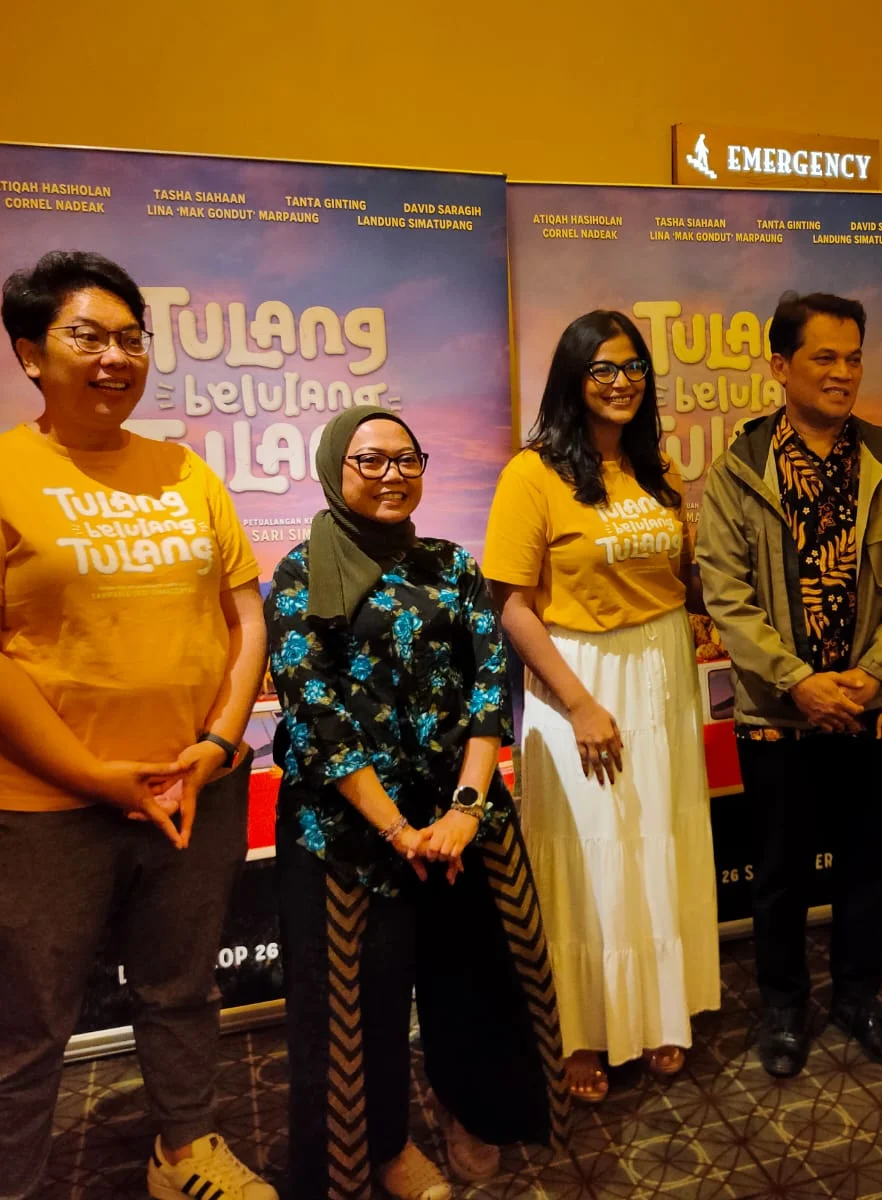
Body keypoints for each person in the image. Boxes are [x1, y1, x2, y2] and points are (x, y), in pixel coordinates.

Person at [0, 251, 274, 1200]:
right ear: (30, 353)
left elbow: (245, 617)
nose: (115, 357)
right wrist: (89, 773)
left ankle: (184, 1152)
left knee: (181, 989)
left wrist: (218, 745)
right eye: (88, 336)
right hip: (34, 810)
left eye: (131, 338)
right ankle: (8, 1188)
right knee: (24, 1026)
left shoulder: (185, 472)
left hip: (192, 789)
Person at [266, 406, 567, 1200]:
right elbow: (318, 716)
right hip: (348, 830)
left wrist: (465, 809)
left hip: (459, 814)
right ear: (334, 469)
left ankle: (474, 1110)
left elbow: (486, 688)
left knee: (475, 975)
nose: (392, 475)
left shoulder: (450, 564)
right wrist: (398, 829)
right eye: (370, 460)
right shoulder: (299, 574)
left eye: (407, 459)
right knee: (352, 1010)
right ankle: (380, 1150)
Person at [697, 291, 882, 1078]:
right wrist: (798, 679)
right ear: (780, 366)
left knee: (868, 864)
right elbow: (725, 594)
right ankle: (782, 1006)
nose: (842, 373)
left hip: (876, 703)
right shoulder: (738, 470)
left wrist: (871, 674)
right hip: (780, 708)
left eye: (853, 358)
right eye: (823, 357)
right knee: (779, 871)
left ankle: (858, 997)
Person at [483, 310, 720, 1104]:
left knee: (659, 841)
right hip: (577, 673)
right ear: (573, 379)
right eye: (603, 369)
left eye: (633, 367)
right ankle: (580, 1029)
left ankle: (657, 1010)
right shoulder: (532, 473)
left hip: (662, 669)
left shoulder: (658, 468)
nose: (622, 383)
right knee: (588, 853)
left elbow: (680, 579)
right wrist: (580, 704)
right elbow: (511, 603)